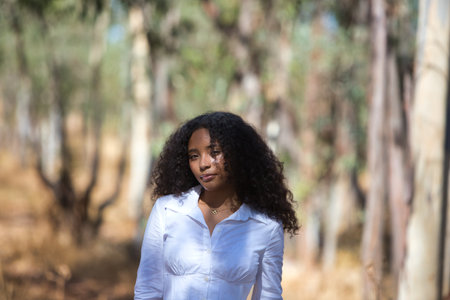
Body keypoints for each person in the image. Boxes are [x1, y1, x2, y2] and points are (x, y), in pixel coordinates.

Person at [134, 111, 299, 300]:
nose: (203, 164)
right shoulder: (167, 210)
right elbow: (147, 291)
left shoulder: (266, 226)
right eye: (194, 156)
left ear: (238, 154)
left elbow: (268, 296)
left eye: (214, 152)